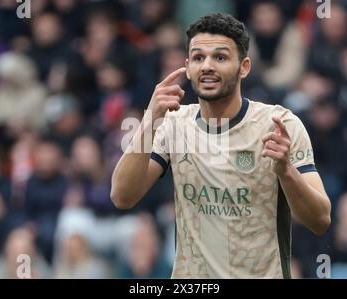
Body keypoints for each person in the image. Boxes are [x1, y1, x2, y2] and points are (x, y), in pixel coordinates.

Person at [111, 13, 331, 278]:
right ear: (188, 66)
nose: (207, 66)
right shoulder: (173, 124)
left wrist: (286, 171)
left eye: (220, 57)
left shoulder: (279, 124)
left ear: (244, 67)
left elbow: (320, 221)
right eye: (198, 57)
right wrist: (149, 119)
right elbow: (122, 196)